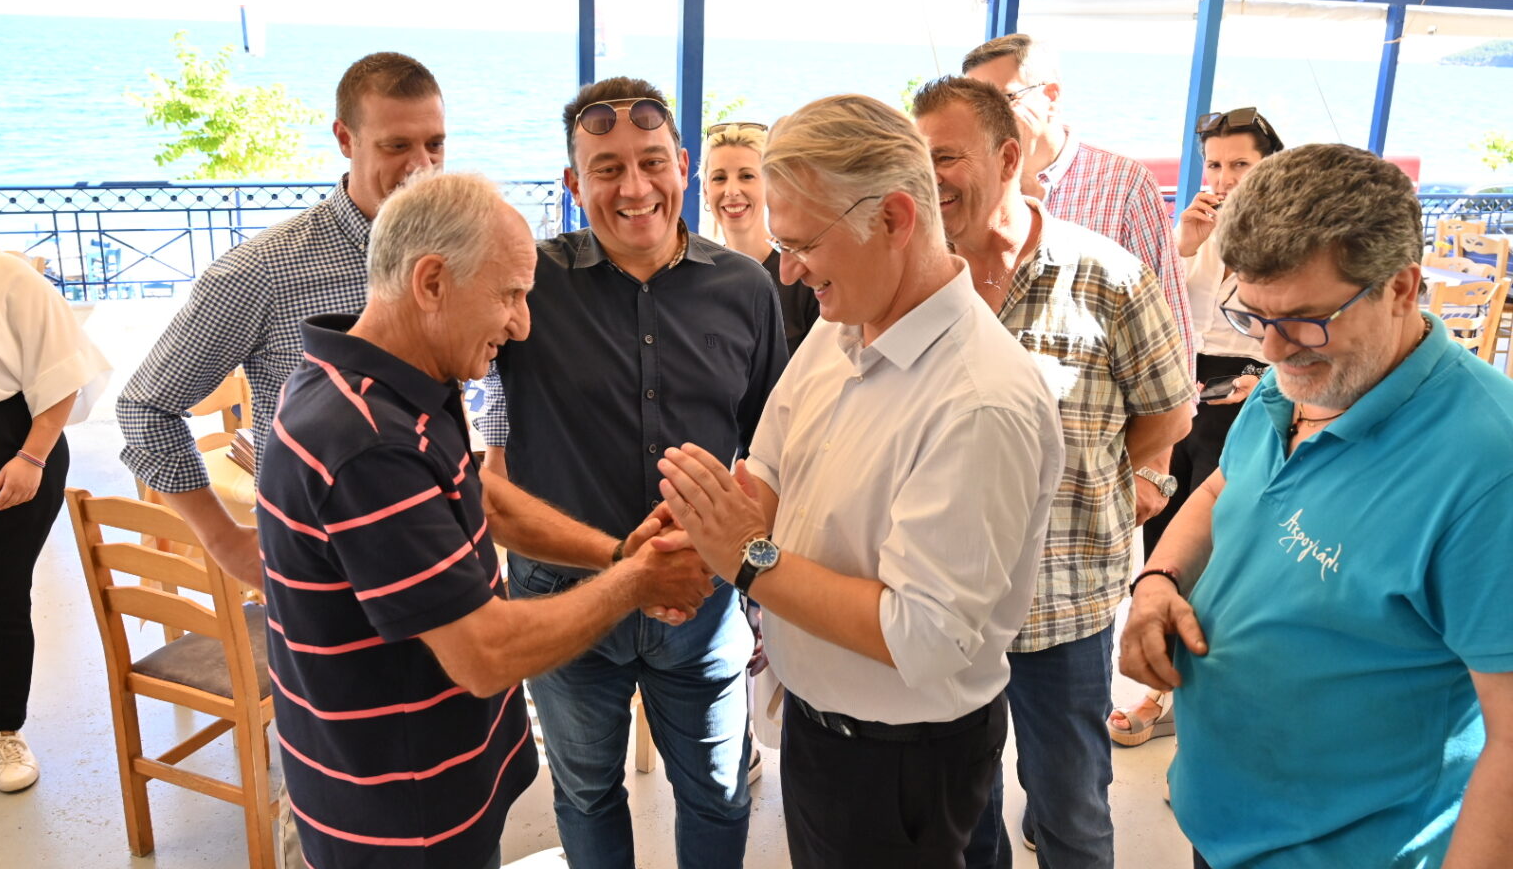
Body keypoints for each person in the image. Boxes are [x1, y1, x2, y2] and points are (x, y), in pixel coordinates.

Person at [257, 170, 715, 869]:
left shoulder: (380, 380)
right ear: (432, 282)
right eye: (509, 294)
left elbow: (482, 497)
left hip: (421, 781)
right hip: (402, 821)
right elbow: (484, 654)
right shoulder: (367, 445)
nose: (522, 324)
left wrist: (620, 554)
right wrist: (638, 582)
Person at [658, 93, 1065, 869]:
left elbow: (923, 636)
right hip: (819, 730)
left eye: (804, 243)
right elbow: (772, 464)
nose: (787, 269)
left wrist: (745, 557)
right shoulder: (842, 321)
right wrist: (696, 541)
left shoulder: (979, 402)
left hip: (902, 767)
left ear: (895, 219)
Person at [1120, 143, 1513, 869]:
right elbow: (1228, 485)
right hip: (1222, 822)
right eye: (1253, 315)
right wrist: (1159, 582)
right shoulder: (1303, 378)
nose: (1272, 351)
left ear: (1402, 287)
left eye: (1306, 318)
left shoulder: (1491, 466)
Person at [117, 51, 445, 865]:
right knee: (336, 796)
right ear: (344, 138)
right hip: (324, 581)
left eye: (436, 144)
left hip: (437, 562)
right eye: (397, 146)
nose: (422, 167)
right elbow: (145, 407)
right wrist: (224, 540)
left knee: (434, 774)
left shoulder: (451, 251)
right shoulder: (264, 270)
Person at [479, 77, 788, 869]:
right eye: (607, 168)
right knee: (585, 792)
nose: (634, 187)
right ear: (572, 182)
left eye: (652, 162)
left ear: (683, 166)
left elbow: (774, 447)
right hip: (564, 594)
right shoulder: (529, 282)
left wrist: (735, 559)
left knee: (719, 793)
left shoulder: (746, 288)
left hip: (702, 595)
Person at [909, 78, 1193, 869]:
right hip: (945, 602)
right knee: (963, 813)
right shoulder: (914, 282)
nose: (930, 179)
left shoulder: (1107, 275)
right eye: (917, 160)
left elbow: (1169, 411)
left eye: (946, 157)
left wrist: (1114, 478)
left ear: (1009, 158)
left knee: (1070, 810)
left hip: (1063, 601)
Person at [1111, 107, 1283, 747]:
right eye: (1215, 164)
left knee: (1223, 546)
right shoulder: (1194, 231)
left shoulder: (1286, 237)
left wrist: (1266, 380)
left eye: (1240, 164)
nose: (1225, 178)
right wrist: (1181, 246)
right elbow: (1152, 314)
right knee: (1165, 536)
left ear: (1269, 166)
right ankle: (1165, 687)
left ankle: (1194, 696)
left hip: (1254, 390)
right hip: (1186, 388)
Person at [961, 33, 1195, 374]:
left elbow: (1167, 316)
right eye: (976, 107)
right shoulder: (967, 188)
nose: (987, 119)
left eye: (1003, 99)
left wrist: (1178, 402)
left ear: (1051, 97)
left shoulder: (1124, 184)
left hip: (1092, 399)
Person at [0, 235, 110, 792]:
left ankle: (3, 728)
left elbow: (64, 370)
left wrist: (32, 457)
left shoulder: (5, 276)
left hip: (7, 447)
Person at [703, 120, 820, 353]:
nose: (732, 191)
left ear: (771, 185)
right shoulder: (696, 279)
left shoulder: (802, 277)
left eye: (747, 176)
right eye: (719, 178)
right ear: (706, 191)